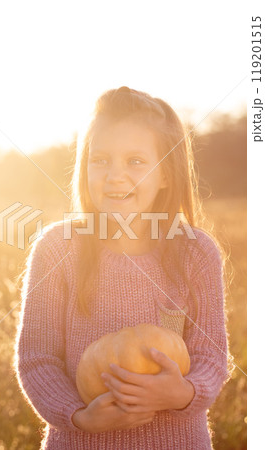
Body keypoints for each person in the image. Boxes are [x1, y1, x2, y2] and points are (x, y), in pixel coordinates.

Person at [14, 86, 231, 449]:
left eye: (135, 161)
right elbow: (38, 360)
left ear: (165, 173)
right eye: (100, 160)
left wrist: (182, 392)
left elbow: (211, 357)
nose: (115, 175)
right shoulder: (57, 249)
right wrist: (79, 417)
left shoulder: (195, 252)